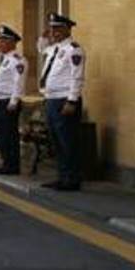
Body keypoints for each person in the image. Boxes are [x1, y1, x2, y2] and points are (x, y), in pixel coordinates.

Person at [40, 13, 86, 191]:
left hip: (64, 100)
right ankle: (62, 176)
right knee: (56, 141)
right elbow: (41, 50)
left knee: (68, 141)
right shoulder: (54, 49)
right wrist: (43, 38)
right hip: (51, 99)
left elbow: (77, 77)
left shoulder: (74, 49)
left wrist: (72, 101)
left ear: (68, 29)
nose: (54, 32)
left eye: (58, 28)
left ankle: (72, 179)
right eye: (52, 28)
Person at [0, 25, 26, 176]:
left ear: (12, 42)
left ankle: (12, 165)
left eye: (3, 40)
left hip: (7, 103)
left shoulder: (17, 60)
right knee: (1, 134)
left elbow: (19, 82)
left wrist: (14, 101)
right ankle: (6, 162)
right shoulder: (5, 59)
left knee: (9, 135)